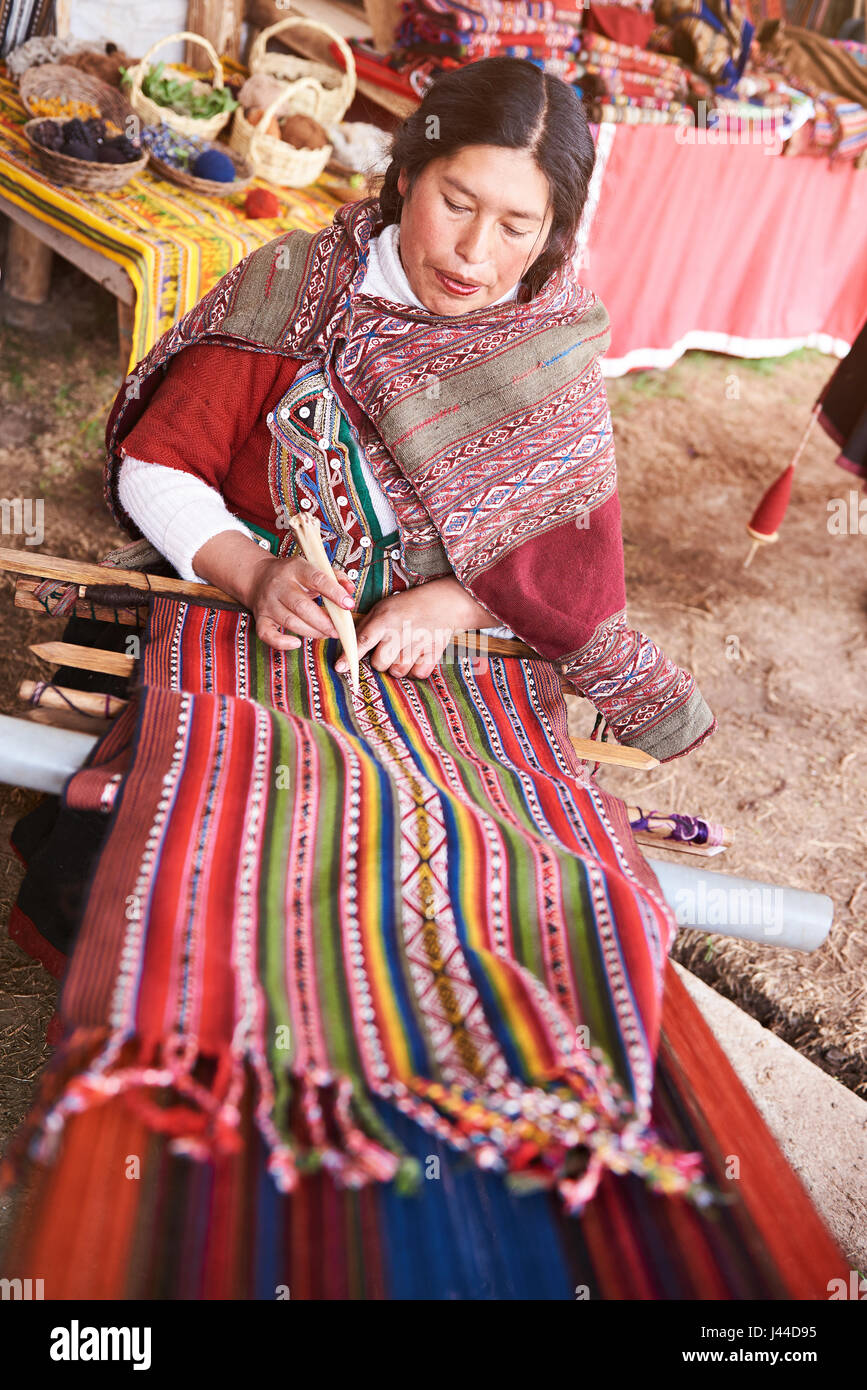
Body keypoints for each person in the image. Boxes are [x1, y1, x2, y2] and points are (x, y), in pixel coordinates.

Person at [2, 58, 845, 1300]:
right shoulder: (300, 290)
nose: (477, 250)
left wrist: (454, 599)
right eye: (458, 200)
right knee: (235, 825)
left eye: (520, 224)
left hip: (449, 672)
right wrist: (251, 570)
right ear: (406, 175)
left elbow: (555, 547)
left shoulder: (549, 343)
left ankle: (473, 1132)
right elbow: (161, 468)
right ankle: (239, 1113)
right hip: (270, 629)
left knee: (517, 860)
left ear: (558, 233)